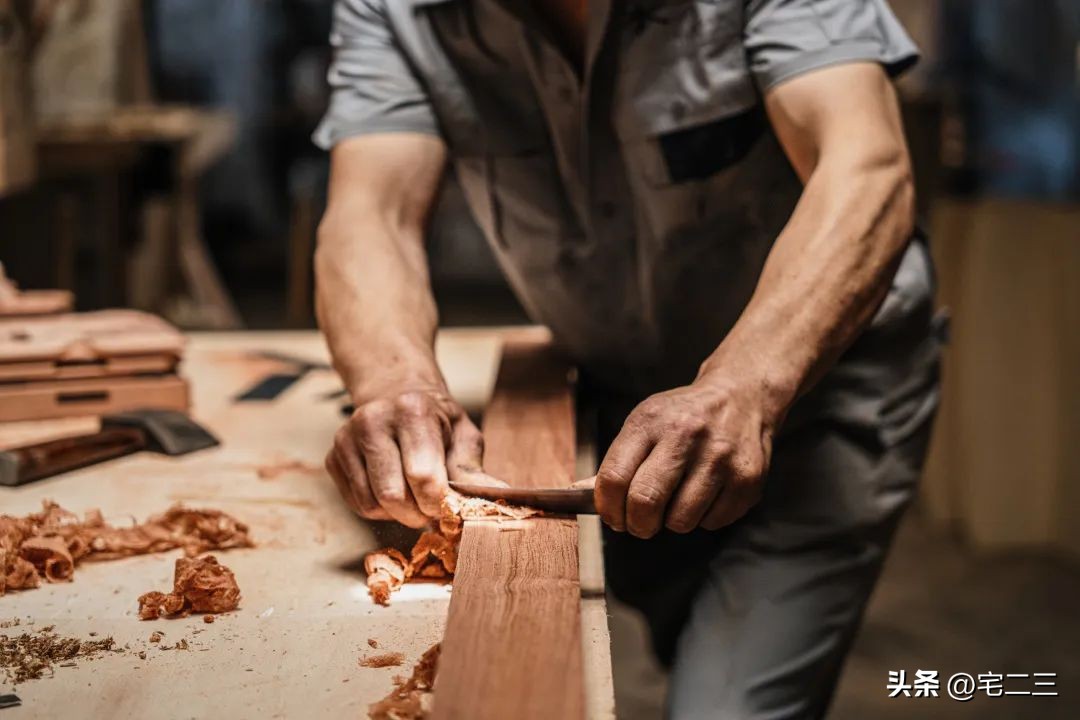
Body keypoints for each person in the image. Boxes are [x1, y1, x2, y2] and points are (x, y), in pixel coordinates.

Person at [313, 1, 943, 717]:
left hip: (815, 392)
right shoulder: (396, 11)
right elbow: (372, 212)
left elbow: (866, 168)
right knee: (675, 632)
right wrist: (396, 382)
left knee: (728, 703)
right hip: (615, 392)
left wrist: (743, 386)